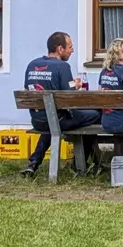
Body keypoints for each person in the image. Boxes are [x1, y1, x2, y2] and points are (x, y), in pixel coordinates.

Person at [22, 31, 100, 178]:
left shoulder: (32, 64)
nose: (72, 50)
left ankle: (33, 162)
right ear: (60, 49)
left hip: (38, 120)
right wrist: (76, 86)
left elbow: (28, 89)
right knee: (96, 115)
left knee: (51, 120)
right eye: (70, 47)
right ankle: (79, 165)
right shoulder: (62, 66)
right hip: (58, 120)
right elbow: (69, 97)